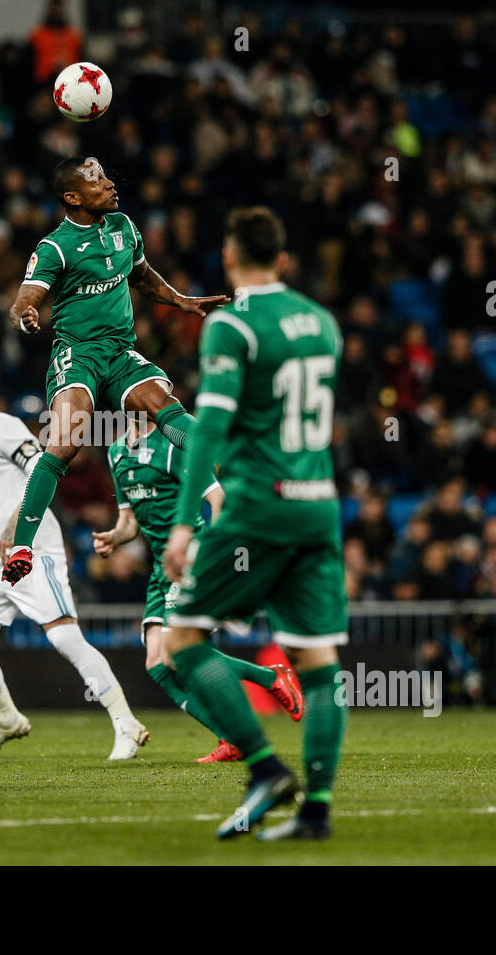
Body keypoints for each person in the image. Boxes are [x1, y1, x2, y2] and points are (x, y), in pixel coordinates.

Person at [162, 207, 348, 841]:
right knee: (319, 664)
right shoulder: (323, 323)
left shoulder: (231, 326)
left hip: (258, 505)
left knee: (180, 642)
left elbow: (208, 426)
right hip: (319, 502)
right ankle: (316, 811)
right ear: (284, 257)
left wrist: (185, 528)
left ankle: (266, 768)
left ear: (230, 257)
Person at [2, 155, 229, 586]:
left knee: (164, 405)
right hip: (78, 354)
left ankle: (219, 456)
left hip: (120, 352)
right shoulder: (55, 247)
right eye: (96, 180)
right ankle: (22, 545)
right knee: (65, 443)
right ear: (73, 198)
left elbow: (141, 276)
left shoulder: (123, 228)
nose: (109, 184)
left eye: (106, 176)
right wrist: (26, 315)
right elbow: (21, 302)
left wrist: (180, 300)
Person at [0, 354, 148, 759]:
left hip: (30, 549)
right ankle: (7, 719)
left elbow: (43, 468)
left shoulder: (0, 427)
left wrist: (16, 524)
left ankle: (127, 723)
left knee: (64, 636)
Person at [94, 415, 304, 761]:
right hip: (160, 568)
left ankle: (270, 679)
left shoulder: (174, 445)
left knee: (177, 654)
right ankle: (234, 733)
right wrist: (114, 538)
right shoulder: (117, 451)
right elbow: (129, 520)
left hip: (190, 560)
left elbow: (217, 498)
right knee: (157, 664)